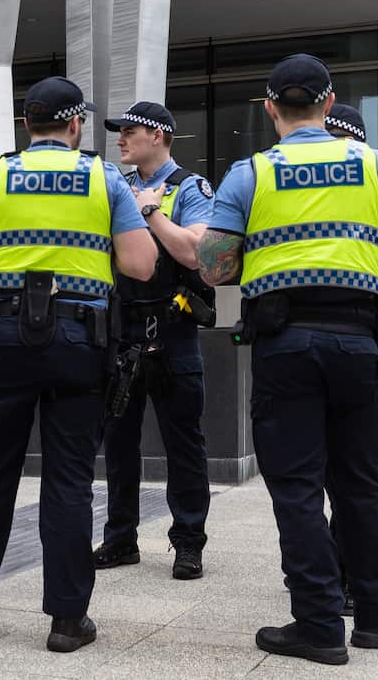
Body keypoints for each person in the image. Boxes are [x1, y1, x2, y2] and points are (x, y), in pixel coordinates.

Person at [196, 54, 378, 665]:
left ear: (272, 108)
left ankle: (319, 625)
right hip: (361, 344)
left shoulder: (248, 175)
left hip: (284, 348)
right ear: (330, 106)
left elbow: (215, 268)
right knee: (362, 481)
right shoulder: (377, 166)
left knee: (299, 488)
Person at [0, 75, 158, 653]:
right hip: (80, 343)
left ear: (28, 126)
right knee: (70, 482)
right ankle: (68, 621)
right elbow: (142, 266)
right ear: (75, 126)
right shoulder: (104, 179)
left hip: (4, 342)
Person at [92, 102, 213, 580]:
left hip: (175, 331)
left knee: (185, 443)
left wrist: (152, 213)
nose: (121, 139)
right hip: (123, 330)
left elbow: (197, 253)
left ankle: (188, 543)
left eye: (130, 131)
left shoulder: (191, 186)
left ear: (160, 136)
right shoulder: (113, 187)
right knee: (119, 443)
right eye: (119, 132)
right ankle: (120, 539)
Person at [321, 102, 378, 618]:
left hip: (358, 340)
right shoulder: (377, 181)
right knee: (360, 472)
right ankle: (352, 577)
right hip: (362, 343)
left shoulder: (372, 184)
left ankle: (351, 576)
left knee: (357, 473)